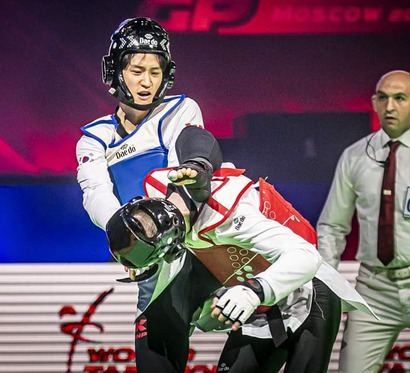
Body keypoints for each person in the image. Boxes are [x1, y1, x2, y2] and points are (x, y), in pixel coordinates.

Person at [107, 165, 376, 372]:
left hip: (307, 290)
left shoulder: (231, 214)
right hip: (260, 309)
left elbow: (306, 256)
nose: (146, 223)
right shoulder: (161, 188)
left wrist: (253, 291)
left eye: (144, 224)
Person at [75, 18, 223, 372]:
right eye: (137, 70)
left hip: (210, 253)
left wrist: (143, 241)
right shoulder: (93, 138)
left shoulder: (182, 109)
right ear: (115, 72)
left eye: (155, 72)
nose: (146, 82)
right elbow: (95, 192)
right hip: (154, 266)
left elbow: (184, 179)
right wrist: (128, 240)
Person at [317, 70, 410, 372]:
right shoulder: (354, 156)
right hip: (374, 289)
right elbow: (332, 226)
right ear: (373, 102)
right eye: (383, 98)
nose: (390, 106)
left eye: (400, 98)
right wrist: (325, 287)